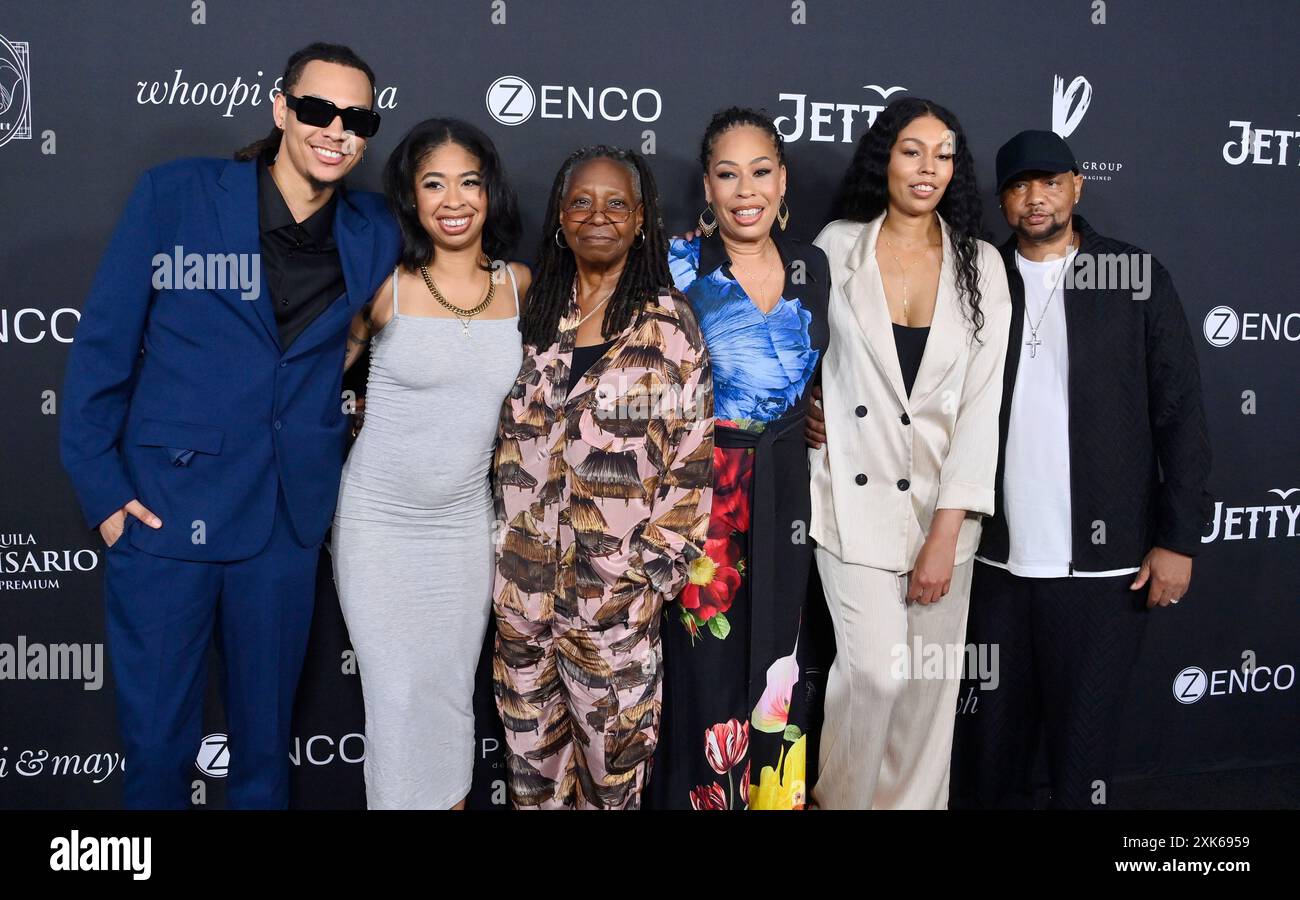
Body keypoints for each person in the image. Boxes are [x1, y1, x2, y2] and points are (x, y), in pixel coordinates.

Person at [59, 43, 397, 808]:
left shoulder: (373, 231)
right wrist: (107, 500)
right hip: (164, 512)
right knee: (155, 753)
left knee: (263, 759)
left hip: (282, 523)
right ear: (282, 108)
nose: (334, 129)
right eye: (316, 109)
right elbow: (100, 355)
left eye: (356, 117)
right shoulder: (175, 197)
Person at [948, 130, 1213, 809]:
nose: (1035, 198)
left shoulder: (1135, 277)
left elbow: (1180, 413)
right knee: (987, 755)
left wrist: (1179, 537)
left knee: (1083, 758)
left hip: (1104, 572)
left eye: (1049, 182)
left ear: (1076, 186)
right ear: (1003, 199)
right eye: (1018, 186)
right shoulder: (976, 278)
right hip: (996, 567)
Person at [491, 145, 714, 809]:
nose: (599, 215)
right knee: (534, 786)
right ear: (560, 217)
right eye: (582, 201)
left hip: (613, 611)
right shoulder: (529, 318)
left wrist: (645, 581)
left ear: (641, 219)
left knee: (613, 788)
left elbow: (691, 461)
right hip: (523, 602)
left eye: (617, 202)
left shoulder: (669, 326)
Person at [805, 98, 1010, 809]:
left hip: (940, 515)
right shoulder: (836, 246)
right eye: (912, 151)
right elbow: (797, 355)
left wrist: (945, 534)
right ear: (882, 159)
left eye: (943, 154)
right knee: (876, 679)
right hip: (846, 504)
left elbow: (982, 410)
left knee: (926, 697)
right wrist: (805, 404)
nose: (928, 169)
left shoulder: (981, 265)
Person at [333, 119, 529, 809]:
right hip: (378, 526)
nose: (454, 199)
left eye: (469, 182)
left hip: (462, 531)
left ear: (490, 190)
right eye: (434, 183)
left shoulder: (519, 287)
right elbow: (307, 382)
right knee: (394, 702)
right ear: (411, 198)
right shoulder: (384, 286)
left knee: (448, 700)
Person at [645, 108, 829, 811]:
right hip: (704, 494)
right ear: (709, 186)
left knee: (783, 664)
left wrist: (824, 419)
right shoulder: (674, 265)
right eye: (728, 174)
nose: (745, 190)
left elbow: (833, 385)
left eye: (760, 172)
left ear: (782, 181)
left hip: (789, 490)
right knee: (705, 664)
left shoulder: (816, 267)